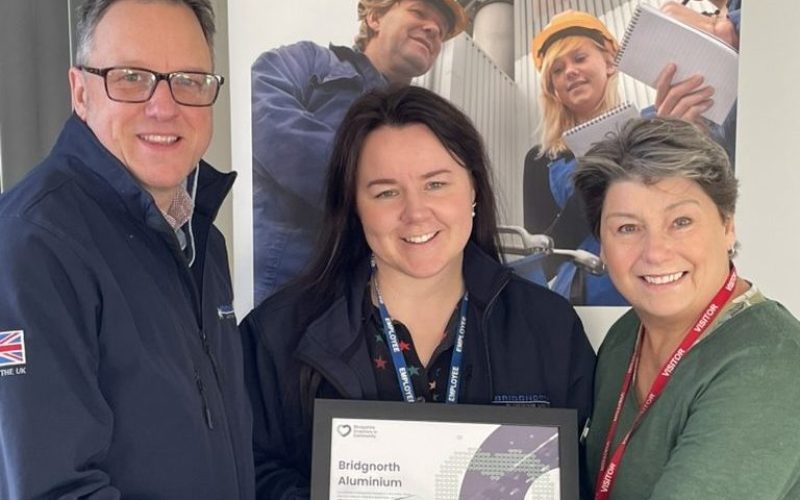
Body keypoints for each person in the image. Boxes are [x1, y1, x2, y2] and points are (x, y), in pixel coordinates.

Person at [241, 86, 596, 499]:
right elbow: (249, 469)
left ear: (474, 190)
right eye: (386, 192)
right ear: (355, 206)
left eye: (436, 184)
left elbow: (583, 472)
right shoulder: (279, 334)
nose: (415, 213)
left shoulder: (549, 328)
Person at [0, 0, 254, 498]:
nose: (164, 106)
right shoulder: (32, 246)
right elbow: (54, 489)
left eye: (189, 79)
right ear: (80, 91)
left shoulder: (203, 242)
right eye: (132, 77)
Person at [573, 117, 800, 499]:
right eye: (628, 228)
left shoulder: (771, 363)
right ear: (601, 245)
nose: (655, 252)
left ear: (727, 226)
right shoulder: (624, 337)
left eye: (680, 221)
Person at [251, 0, 468, 304]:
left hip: (372, 303)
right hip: (287, 286)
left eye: (441, 30)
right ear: (375, 17)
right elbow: (262, 116)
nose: (433, 30)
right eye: (419, 13)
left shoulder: (429, 122)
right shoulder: (306, 62)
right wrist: (369, 183)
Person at [523, 10, 726, 306]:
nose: (570, 71)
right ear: (552, 89)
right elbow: (540, 260)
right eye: (557, 69)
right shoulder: (542, 159)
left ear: (609, 63)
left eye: (579, 58)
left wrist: (682, 141)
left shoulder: (663, 120)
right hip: (590, 301)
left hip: (667, 280)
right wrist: (599, 180)